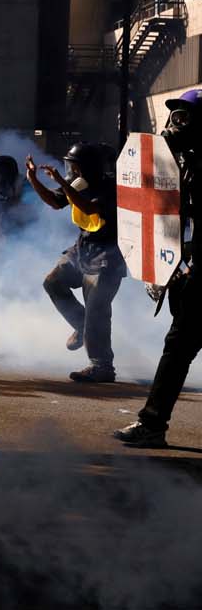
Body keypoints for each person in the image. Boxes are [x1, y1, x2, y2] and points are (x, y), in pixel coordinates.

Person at [117, 90, 202, 446]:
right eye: (175, 116)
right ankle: (152, 424)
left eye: (184, 118)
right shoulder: (182, 163)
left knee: (178, 346)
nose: (173, 125)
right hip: (188, 269)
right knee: (179, 347)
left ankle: (152, 423)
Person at [26, 142, 126, 383]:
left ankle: (102, 367)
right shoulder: (75, 184)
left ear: (87, 168)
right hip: (82, 249)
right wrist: (33, 179)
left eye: (74, 167)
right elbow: (55, 201)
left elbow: (88, 207)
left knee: (97, 311)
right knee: (53, 282)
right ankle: (81, 326)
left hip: (107, 256)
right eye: (69, 167)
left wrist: (62, 182)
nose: (71, 171)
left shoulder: (108, 188)